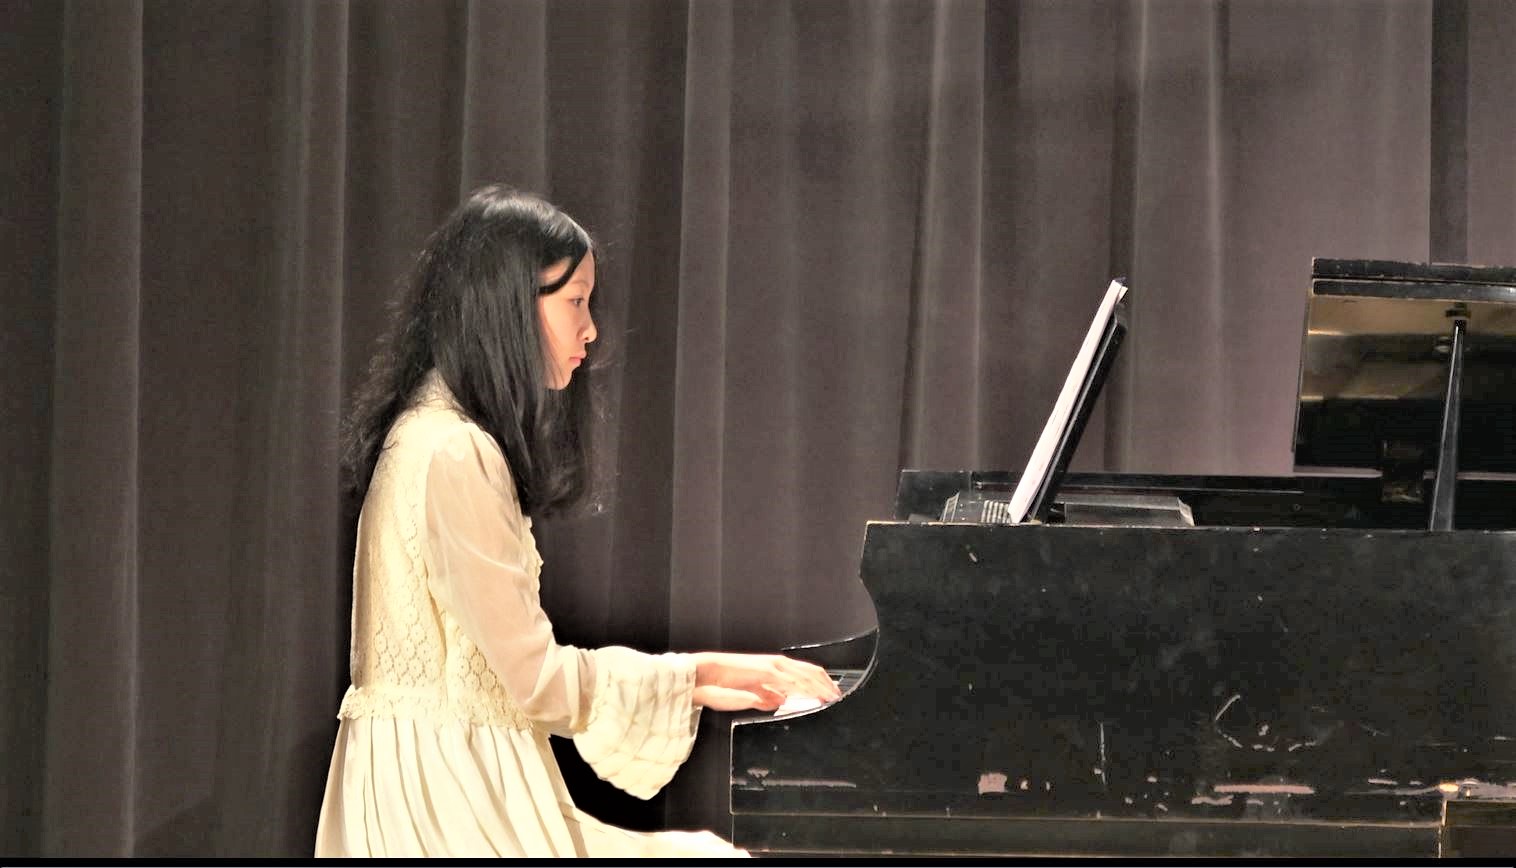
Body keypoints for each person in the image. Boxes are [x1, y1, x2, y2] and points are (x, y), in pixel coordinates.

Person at [314, 184, 839, 858]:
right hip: (447, 803)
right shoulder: (454, 450)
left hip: (439, 786)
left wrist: (698, 680)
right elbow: (536, 681)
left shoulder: (429, 432)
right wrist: (701, 676)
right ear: (510, 304)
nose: (590, 330)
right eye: (575, 302)